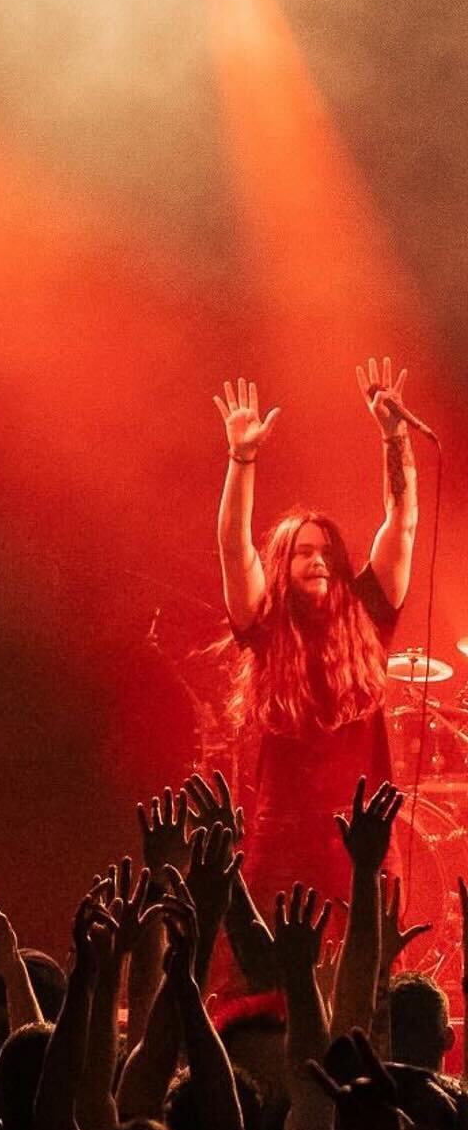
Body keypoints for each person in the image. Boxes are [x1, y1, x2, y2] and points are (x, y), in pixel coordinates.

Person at [212, 362, 418, 909]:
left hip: (364, 835)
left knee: (365, 977)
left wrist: (394, 437)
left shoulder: (368, 613)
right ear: (284, 563)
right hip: (284, 838)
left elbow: (402, 521)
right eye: (304, 552)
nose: (319, 560)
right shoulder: (266, 621)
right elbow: (234, 547)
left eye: (326, 552)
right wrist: (242, 458)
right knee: (272, 982)